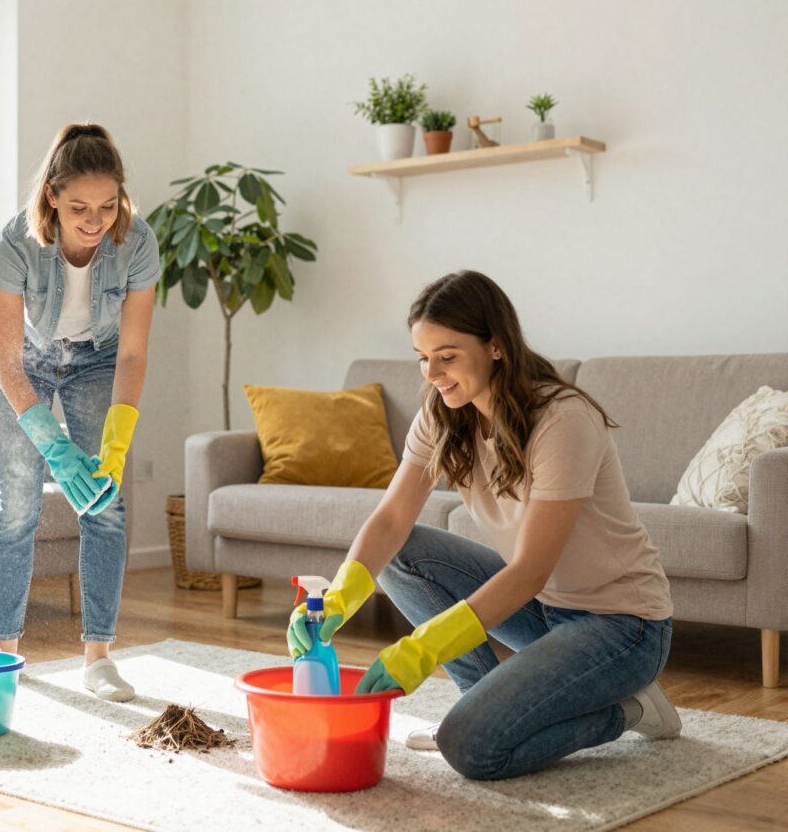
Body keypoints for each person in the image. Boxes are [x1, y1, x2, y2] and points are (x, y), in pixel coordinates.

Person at [288, 270, 679, 780]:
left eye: (447, 356)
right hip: (544, 611)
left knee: (470, 748)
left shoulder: (563, 420)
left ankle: (629, 711)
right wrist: (339, 598)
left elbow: (530, 570)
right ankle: (480, 699)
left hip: (622, 626)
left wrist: (423, 649)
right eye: (422, 357)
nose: (432, 372)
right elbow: (391, 521)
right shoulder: (444, 413)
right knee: (402, 552)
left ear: (496, 346)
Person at [0, 123, 158, 701]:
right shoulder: (15, 242)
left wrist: (116, 442)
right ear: (52, 196)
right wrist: (52, 444)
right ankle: (4, 654)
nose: (95, 220)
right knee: (17, 509)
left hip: (99, 358)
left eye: (108, 206)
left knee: (105, 504)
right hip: (24, 362)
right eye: (80, 207)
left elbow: (132, 353)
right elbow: (8, 363)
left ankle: (99, 659)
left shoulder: (138, 242)